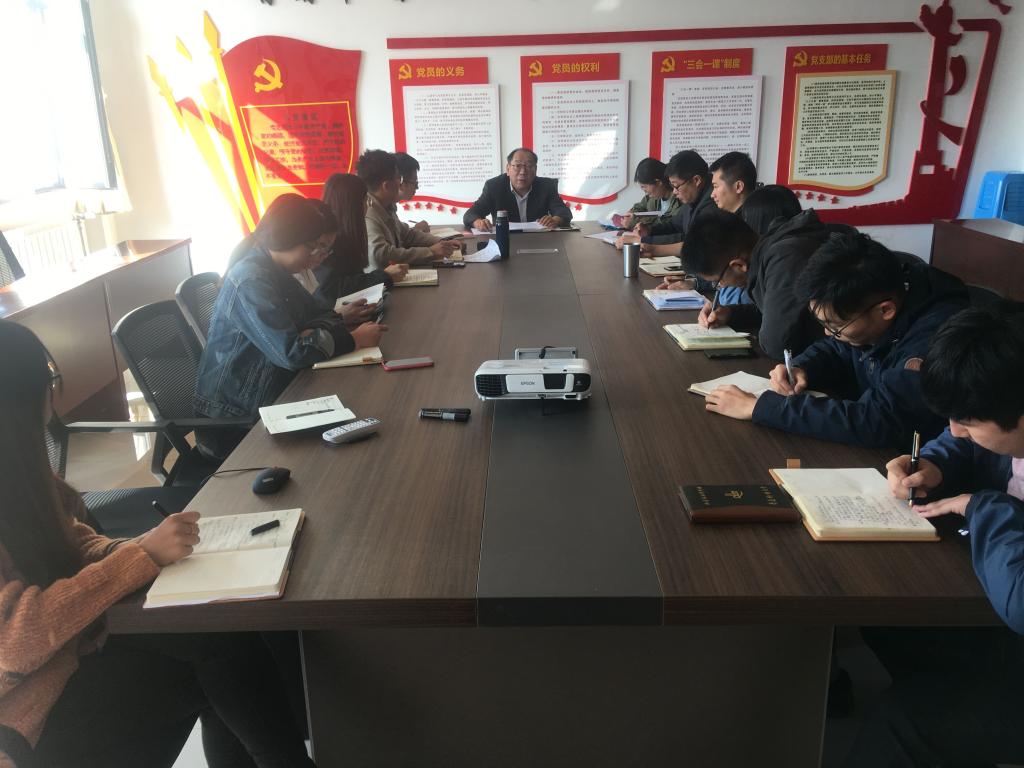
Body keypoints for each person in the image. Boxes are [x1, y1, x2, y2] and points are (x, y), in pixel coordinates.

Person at [0, 320, 315, 768]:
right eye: (48, 384)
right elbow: (14, 643)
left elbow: (71, 545)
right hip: (23, 719)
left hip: (67, 654)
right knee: (220, 655)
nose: (52, 402)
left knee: (220, 634)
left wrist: (135, 549)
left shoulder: (19, 472)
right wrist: (139, 557)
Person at [841, 301, 1024, 767]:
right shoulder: (1005, 411)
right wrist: (935, 463)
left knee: (902, 725)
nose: (954, 430)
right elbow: (973, 446)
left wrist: (983, 507)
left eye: (968, 421)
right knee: (889, 625)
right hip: (992, 613)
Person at [702, 232, 969, 448]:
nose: (828, 333)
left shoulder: (936, 338)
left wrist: (761, 408)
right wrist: (803, 367)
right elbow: (837, 348)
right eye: (823, 324)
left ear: (885, 310)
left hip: (914, 465)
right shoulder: (868, 308)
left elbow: (883, 421)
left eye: (836, 326)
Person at [195, 193, 386, 460]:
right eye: (312, 247)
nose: (317, 256)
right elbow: (292, 353)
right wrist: (353, 340)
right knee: (346, 446)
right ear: (284, 239)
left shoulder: (275, 271)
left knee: (360, 418)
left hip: (273, 391)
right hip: (236, 419)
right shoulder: (251, 280)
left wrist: (315, 332)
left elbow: (321, 315)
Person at [680, 205, 832, 360]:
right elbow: (772, 310)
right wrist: (730, 313)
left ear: (739, 265)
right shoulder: (768, 249)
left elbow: (778, 345)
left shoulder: (785, 258)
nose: (720, 287)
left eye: (717, 282)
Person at [357, 149, 458, 269]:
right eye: (398, 178)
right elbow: (380, 255)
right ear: (386, 186)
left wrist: (441, 243)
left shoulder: (386, 206)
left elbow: (407, 235)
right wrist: (431, 252)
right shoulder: (368, 212)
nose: (400, 184)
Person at [318, 172, 407, 304]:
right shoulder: (326, 239)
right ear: (352, 205)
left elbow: (355, 278)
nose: (368, 205)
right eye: (366, 200)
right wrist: (385, 275)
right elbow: (334, 289)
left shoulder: (348, 233)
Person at [627, 150, 714, 256]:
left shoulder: (712, 202)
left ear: (696, 180)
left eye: (676, 186)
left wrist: (647, 242)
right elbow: (674, 225)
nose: (674, 192)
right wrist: (650, 230)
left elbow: (692, 242)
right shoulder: (692, 198)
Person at [463, 148, 573, 231]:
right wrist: (478, 222)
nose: (523, 172)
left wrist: (555, 220)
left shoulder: (546, 186)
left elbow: (564, 212)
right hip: (506, 239)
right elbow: (470, 214)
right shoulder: (494, 186)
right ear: (508, 169)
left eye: (529, 166)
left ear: (535, 170)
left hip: (539, 240)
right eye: (517, 166)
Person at [617, 158, 680, 231]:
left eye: (644, 187)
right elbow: (639, 207)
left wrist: (637, 222)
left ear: (658, 182)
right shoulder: (651, 197)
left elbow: (669, 225)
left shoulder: (679, 198)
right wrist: (630, 215)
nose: (645, 191)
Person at [393, 152, 431, 233]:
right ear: (401, 183)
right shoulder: (374, 212)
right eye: (414, 183)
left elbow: (401, 234)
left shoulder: (390, 207)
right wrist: (417, 230)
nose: (417, 187)